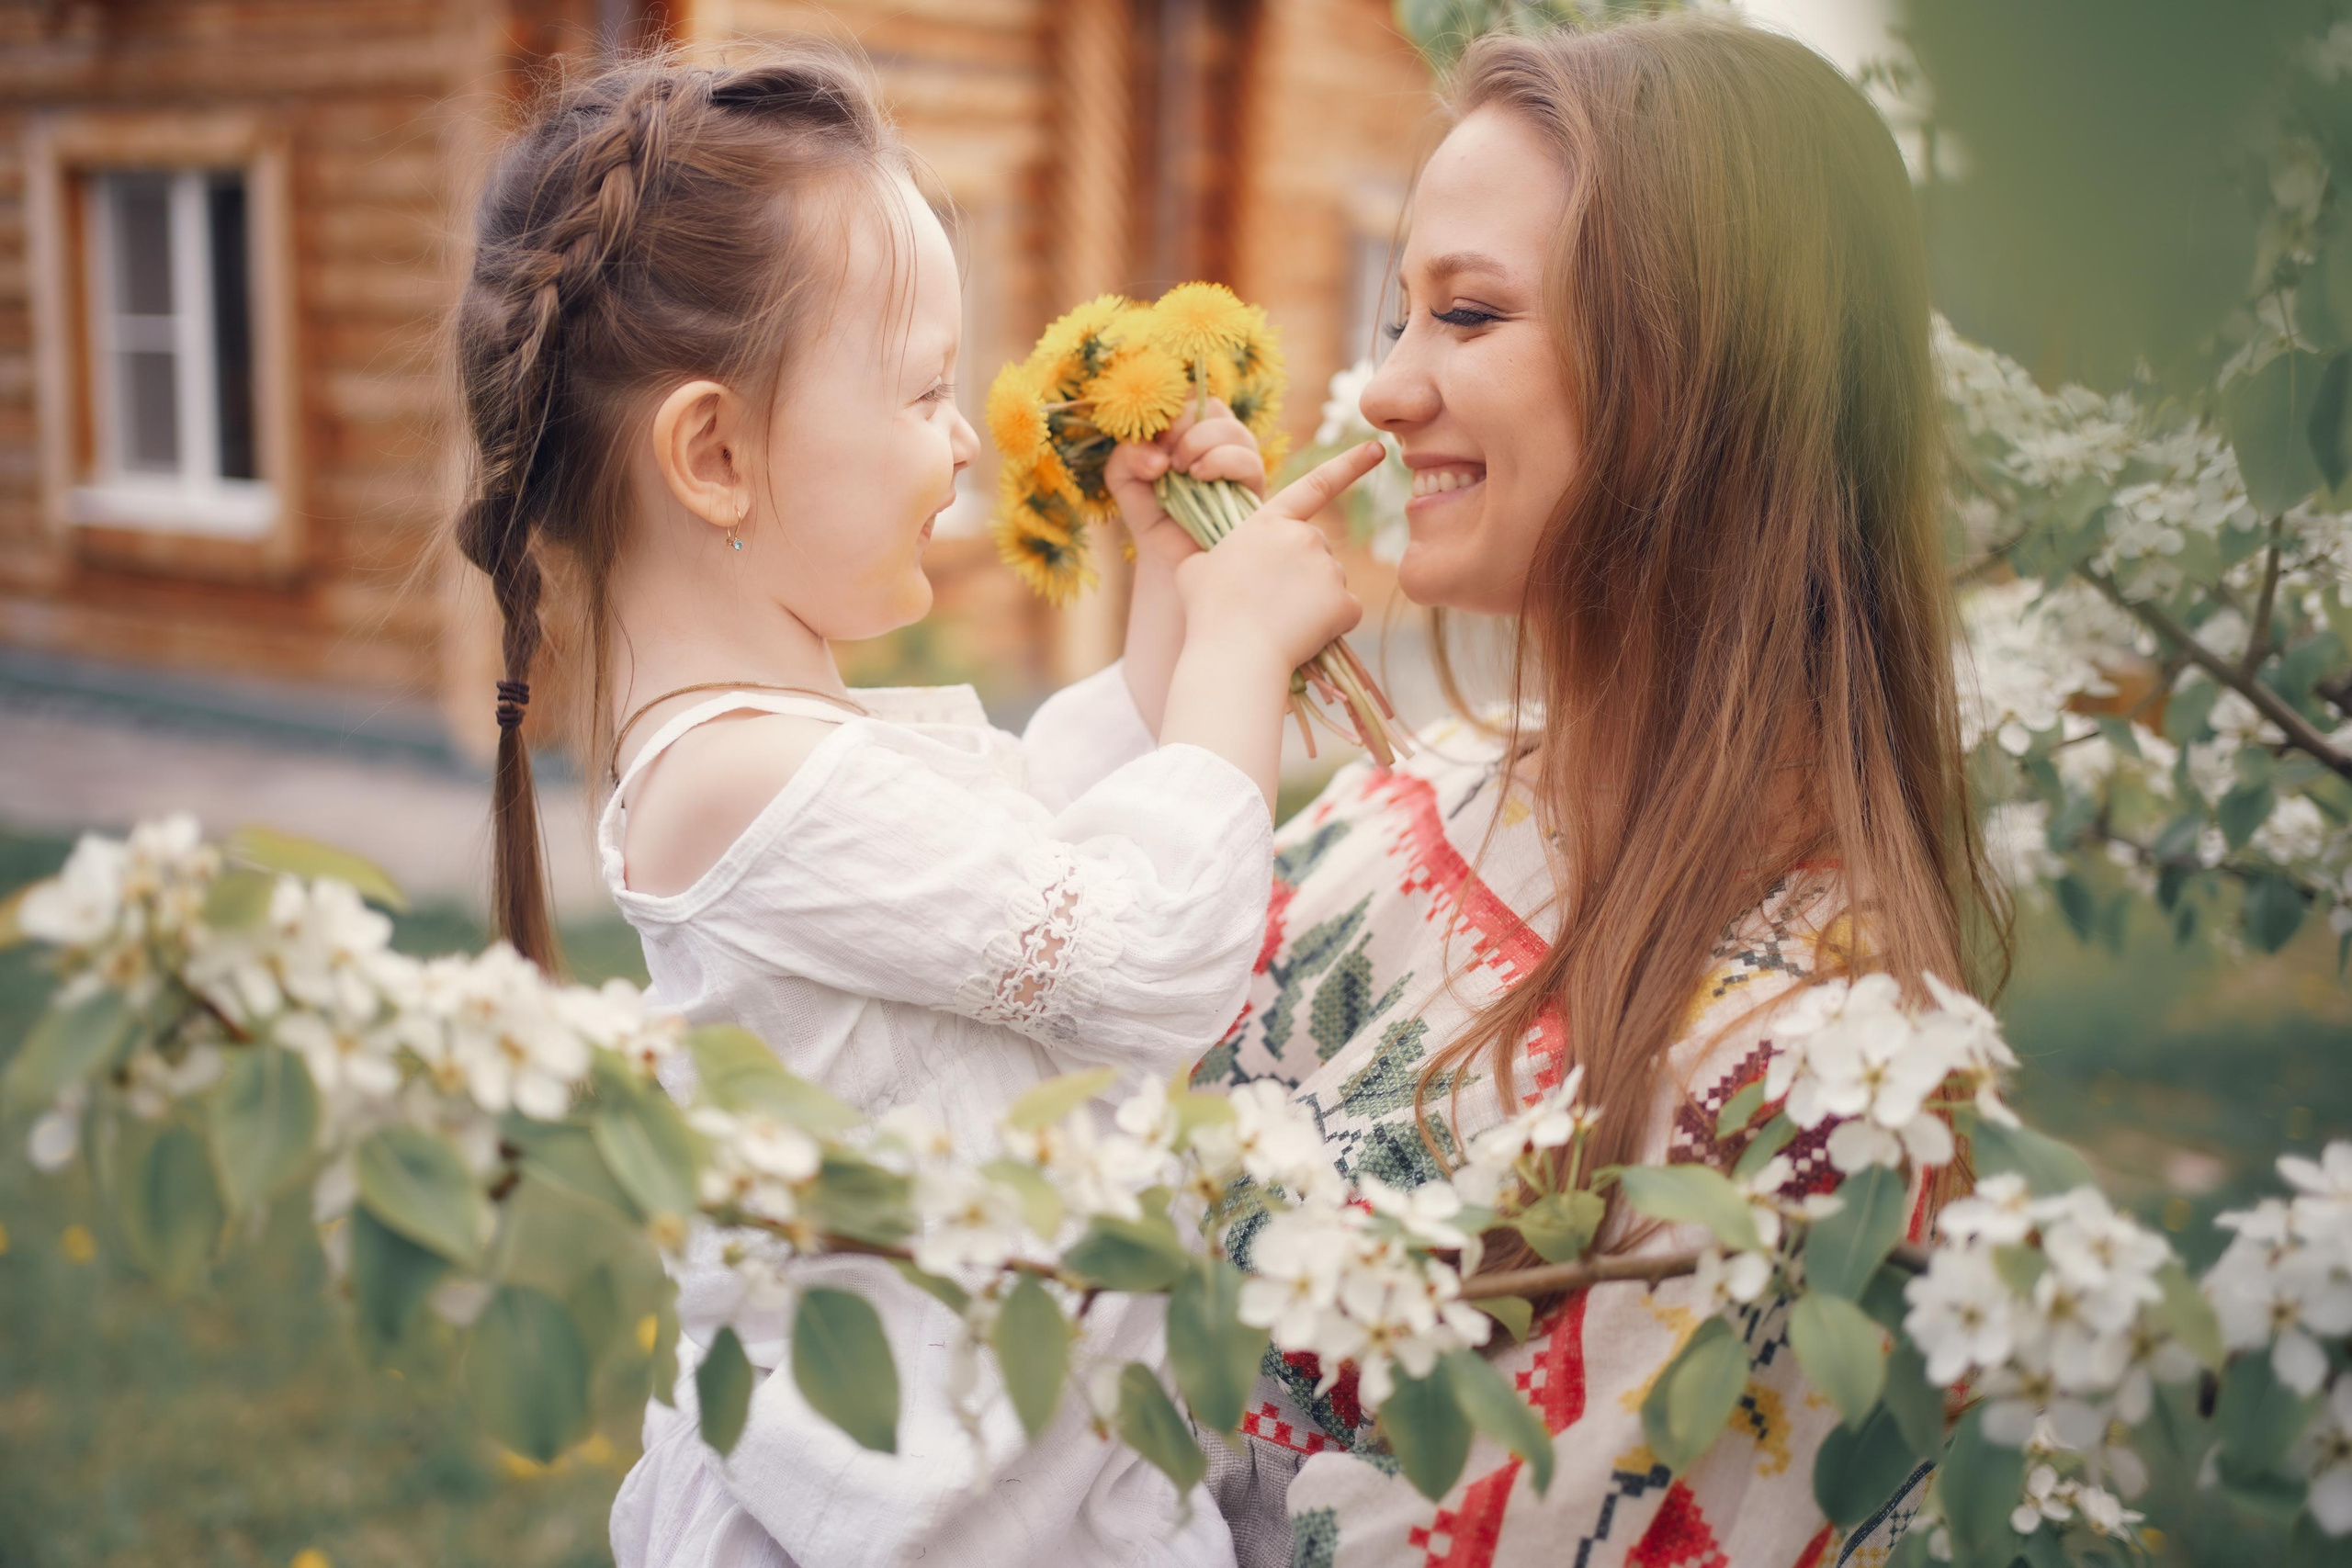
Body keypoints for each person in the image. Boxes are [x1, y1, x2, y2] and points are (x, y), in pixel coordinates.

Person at [443, 43, 1381, 1568]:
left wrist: (1173, 587)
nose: (960, 437)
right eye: (927, 389)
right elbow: (1143, 958)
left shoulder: (775, 751)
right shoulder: (738, 783)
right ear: (717, 453)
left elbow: (1055, 833)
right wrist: (1241, 650)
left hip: (1012, 1484)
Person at [1196, 16, 2007, 1566]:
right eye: (1403, 313)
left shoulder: (1815, 1092)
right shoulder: (1398, 804)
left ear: (1705, 377)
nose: (1383, 392)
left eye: (1470, 316)